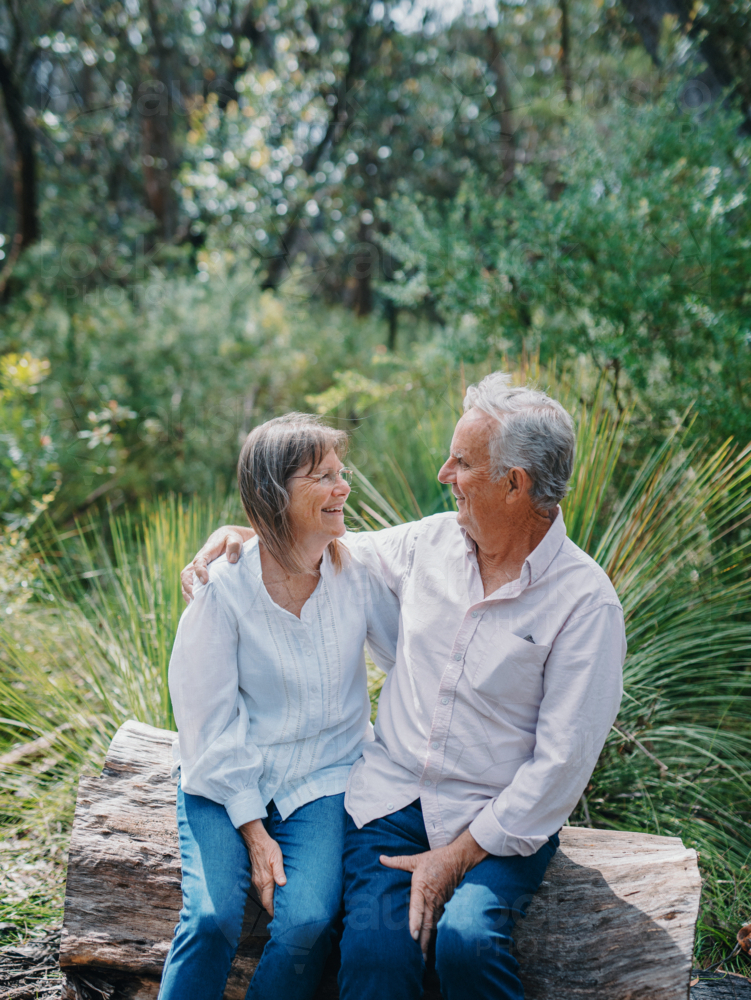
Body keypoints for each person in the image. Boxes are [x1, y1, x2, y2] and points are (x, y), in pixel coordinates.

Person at [182, 371, 626, 1000]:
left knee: (467, 942)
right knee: (375, 957)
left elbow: (559, 768)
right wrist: (246, 535)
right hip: (391, 810)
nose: (445, 473)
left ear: (514, 483)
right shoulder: (428, 544)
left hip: (494, 824)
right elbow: (322, 544)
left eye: (463, 462)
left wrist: (456, 857)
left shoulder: (585, 604)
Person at [159, 413, 398, 1000]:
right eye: (324, 477)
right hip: (223, 775)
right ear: (274, 494)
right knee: (212, 919)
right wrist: (255, 832)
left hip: (322, 777)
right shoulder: (223, 586)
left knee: (309, 920)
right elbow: (207, 724)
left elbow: (410, 660)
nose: (344, 488)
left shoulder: (358, 573)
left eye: (342, 473)